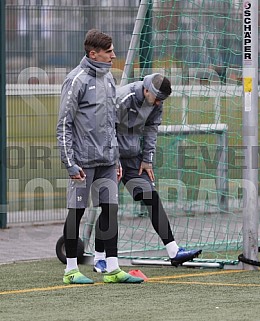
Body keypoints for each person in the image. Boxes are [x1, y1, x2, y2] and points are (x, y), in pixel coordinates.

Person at [56, 29, 144, 284]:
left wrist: (115, 158)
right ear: (93, 53)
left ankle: (112, 268)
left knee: (110, 210)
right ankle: (71, 270)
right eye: (109, 52)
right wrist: (70, 163)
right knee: (77, 212)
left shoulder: (108, 80)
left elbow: (111, 123)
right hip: (82, 163)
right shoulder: (76, 80)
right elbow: (64, 124)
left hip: (107, 161)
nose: (113, 56)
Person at [93, 73, 202, 272]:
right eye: (158, 99)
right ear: (146, 91)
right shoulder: (124, 98)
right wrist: (114, 160)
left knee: (151, 196)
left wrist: (147, 160)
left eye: (162, 100)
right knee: (109, 207)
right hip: (109, 158)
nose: (160, 104)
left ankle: (173, 251)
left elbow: (151, 129)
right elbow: (107, 130)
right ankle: (99, 259)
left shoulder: (156, 103)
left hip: (134, 161)